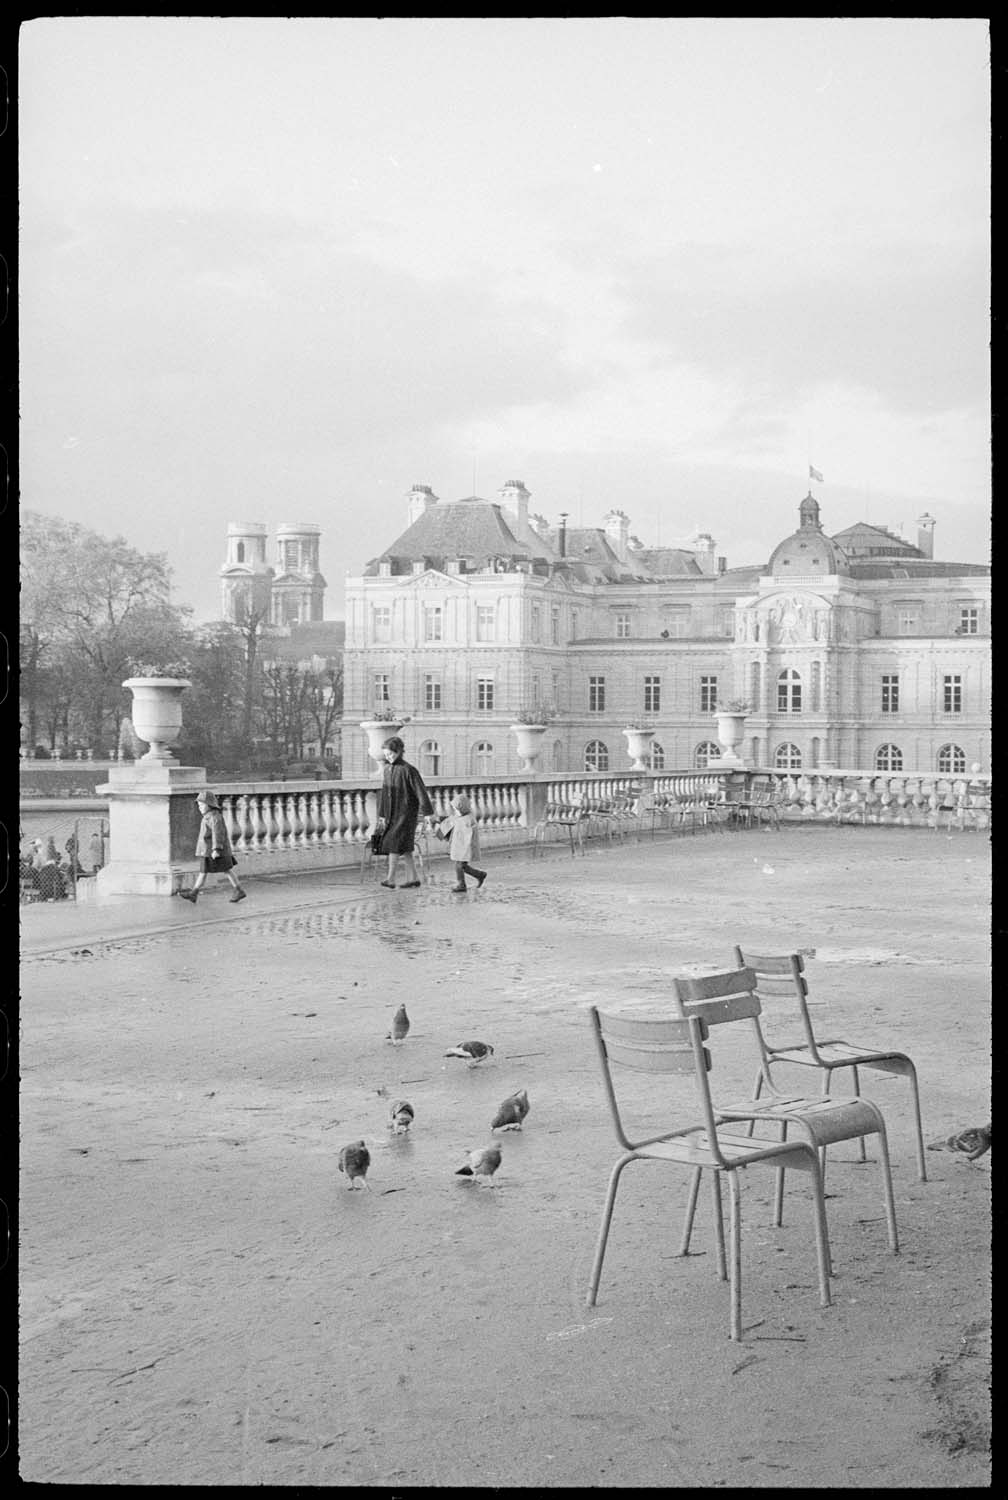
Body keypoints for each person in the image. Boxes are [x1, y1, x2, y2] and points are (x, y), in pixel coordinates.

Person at [375, 736, 433, 889]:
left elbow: (421, 792)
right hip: (392, 815)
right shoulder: (387, 769)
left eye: (391, 754)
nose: (389, 757)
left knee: (394, 844)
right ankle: (413, 878)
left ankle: (390, 879)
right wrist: (382, 814)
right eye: (386, 755)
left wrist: (428, 813)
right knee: (406, 848)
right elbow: (385, 792)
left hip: (406, 815)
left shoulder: (409, 770)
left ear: (399, 751)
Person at [178, 791, 246, 903]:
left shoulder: (214, 817)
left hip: (213, 851)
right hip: (208, 850)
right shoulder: (209, 816)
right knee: (217, 871)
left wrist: (216, 849)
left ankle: (194, 893)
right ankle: (194, 893)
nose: (200, 808)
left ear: (210, 804)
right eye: (199, 805)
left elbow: (218, 834)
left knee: (223, 870)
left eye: (202, 805)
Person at [436, 793, 487, 893]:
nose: (456, 811)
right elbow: (447, 822)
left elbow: (468, 836)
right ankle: (479, 875)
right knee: (461, 865)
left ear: (462, 808)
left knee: (460, 865)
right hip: (459, 847)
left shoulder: (468, 819)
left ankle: (462, 884)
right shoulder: (459, 817)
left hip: (465, 847)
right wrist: (438, 821)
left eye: (457, 809)